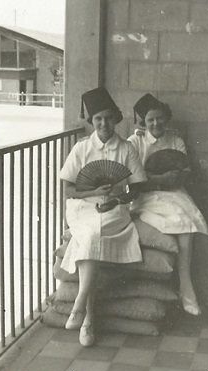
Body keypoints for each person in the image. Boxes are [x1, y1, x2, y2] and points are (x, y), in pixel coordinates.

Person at [59, 87, 146, 346]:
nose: (104, 123)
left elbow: (138, 189)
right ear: (92, 122)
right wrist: (94, 191)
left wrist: (118, 199)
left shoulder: (127, 149)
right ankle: (86, 316)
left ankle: (82, 310)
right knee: (91, 232)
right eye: (98, 119)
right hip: (83, 206)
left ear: (116, 118)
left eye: (108, 117)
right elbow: (68, 189)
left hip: (115, 209)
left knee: (92, 236)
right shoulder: (82, 148)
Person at [128, 93, 208, 316]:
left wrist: (170, 179)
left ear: (165, 118)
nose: (155, 123)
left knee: (199, 224)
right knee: (184, 225)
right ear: (143, 122)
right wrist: (158, 179)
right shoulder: (135, 142)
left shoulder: (175, 140)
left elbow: (182, 173)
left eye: (159, 118)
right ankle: (187, 289)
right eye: (150, 120)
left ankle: (203, 286)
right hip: (147, 197)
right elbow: (133, 178)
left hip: (175, 193)